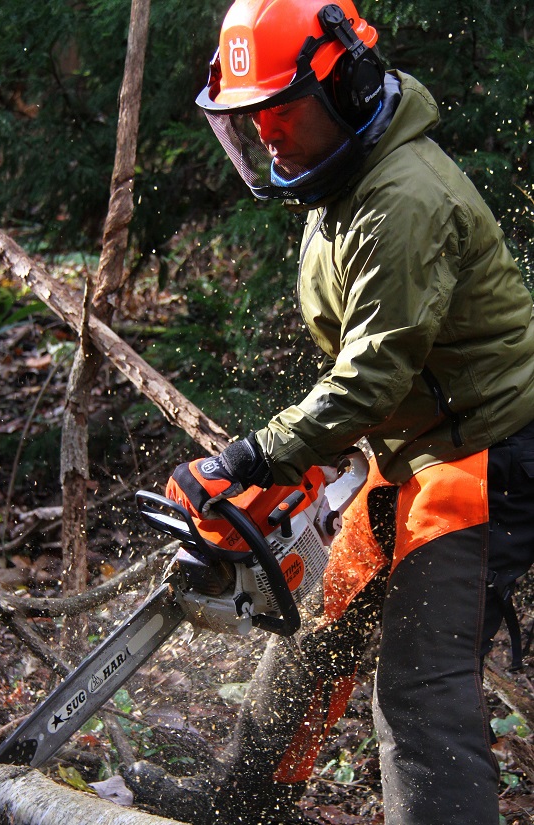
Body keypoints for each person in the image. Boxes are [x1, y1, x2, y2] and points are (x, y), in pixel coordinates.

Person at [123, 1, 534, 823]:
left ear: (343, 84)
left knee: (418, 687)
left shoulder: (404, 199)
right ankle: (244, 803)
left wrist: (250, 457)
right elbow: (376, 371)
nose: (266, 132)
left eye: (279, 108)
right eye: (250, 116)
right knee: (317, 636)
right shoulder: (347, 180)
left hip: (482, 455)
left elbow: (372, 375)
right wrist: (314, 456)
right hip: (414, 448)